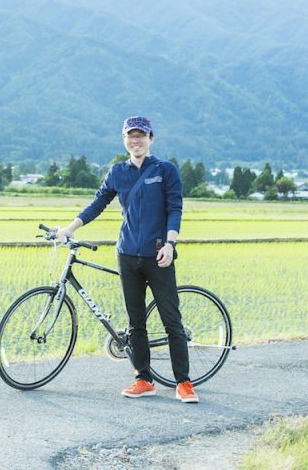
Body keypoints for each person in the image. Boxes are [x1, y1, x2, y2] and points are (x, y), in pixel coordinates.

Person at [55, 115, 197, 403]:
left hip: (159, 255)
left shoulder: (165, 170)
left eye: (141, 135)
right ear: (124, 140)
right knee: (136, 322)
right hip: (127, 254)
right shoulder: (118, 172)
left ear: (151, 139)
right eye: (131, 136)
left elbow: (175, 208)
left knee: (172, 320)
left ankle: (184, 382)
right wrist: (70, 228)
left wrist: (170, 243)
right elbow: (98, 203)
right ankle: (143, 379)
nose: (136, 140)